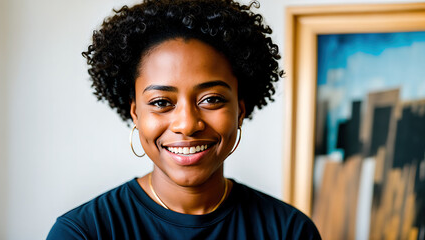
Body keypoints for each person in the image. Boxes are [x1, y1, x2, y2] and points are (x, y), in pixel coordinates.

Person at [47, 0, 321, 239]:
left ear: (239, 110)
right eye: (161, 103)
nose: (187, 124)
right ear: (135, 114)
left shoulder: (290, 231)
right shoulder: (83, 232)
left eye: (211, 99)